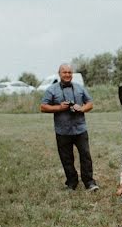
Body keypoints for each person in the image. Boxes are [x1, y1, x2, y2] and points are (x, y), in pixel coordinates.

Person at [40, 63, 98, 191]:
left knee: (85, 156)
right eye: (64, 72)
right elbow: (43, 107)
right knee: (66, 158)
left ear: (72, 74)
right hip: (62, 130)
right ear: (59, 74)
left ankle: (89, 182)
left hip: (80, 129)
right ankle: (71, 183)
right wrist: (59, 107)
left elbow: (90, 103)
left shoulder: (79, 87)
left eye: (69, 72)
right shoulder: (52, 89)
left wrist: (81, 108)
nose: (67, 75)